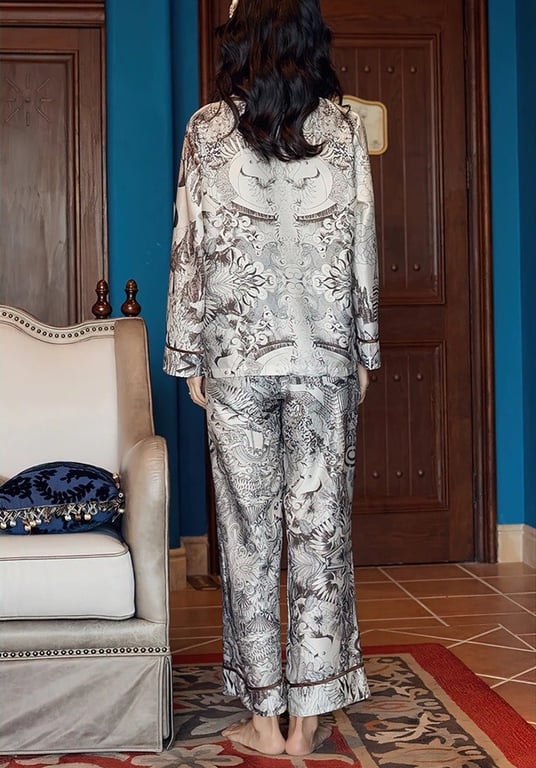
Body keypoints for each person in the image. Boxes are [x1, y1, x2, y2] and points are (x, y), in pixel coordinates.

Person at [164, 0, 380, 756]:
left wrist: (186, 353)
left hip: (236, 360)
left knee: (247, 537)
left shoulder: (205, 129)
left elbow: (188, 244)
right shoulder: (343, 128)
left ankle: (263, 720)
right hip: (324, 358)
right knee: (322, 533)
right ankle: (307, 724)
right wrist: (364, 347)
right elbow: (362, 242)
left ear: (240, 35)